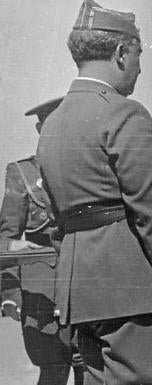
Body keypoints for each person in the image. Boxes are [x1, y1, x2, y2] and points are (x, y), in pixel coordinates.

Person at [36, 1, 152, 383]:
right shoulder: (125, 114)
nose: (140, 65)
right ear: (122, 52)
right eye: (139, 53)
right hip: (135, 288)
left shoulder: (54, 124)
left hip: (83, 292)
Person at [0, 97, 84, 385]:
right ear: (39, 129)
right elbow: (6, 240)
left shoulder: (87, 169)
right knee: (53, 370)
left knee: (92, 368)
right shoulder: (22, 174)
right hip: (41, 293)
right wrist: (11, 294)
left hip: (84, 282)